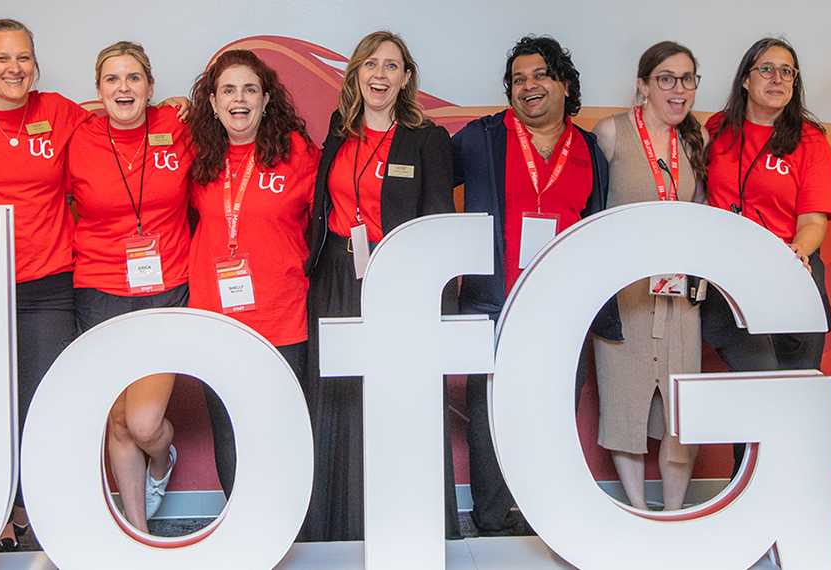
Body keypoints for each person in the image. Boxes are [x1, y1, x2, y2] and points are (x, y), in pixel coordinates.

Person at [452, 35, 614, 536]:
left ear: (565, 84)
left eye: (540, 75)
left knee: (553, 408)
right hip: (493, 303)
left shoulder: (588, 149)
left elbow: (598, 227)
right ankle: (492, 517)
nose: (529, 86)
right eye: (518, 79)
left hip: (560, 306)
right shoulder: (479, 140)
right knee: (489, 412)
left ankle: (542, 507)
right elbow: (426, 189)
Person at [303, 30, 458, 541]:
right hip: (336, 281)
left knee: (400, 395)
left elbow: (437, 223)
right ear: (356, 74)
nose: (380, 74)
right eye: (371, 64)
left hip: (398, 286)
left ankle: (406, 516)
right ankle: (341, 521)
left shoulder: (426, 139)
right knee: (342, 397)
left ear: (406, 78)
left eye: (391, 66)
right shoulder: (339, 132)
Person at [181, 48, 319, 537]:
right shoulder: (196, 156)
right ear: (213, 103)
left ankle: (289, 530)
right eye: (228, 90)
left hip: (284, 318)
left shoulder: (299, 154)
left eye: (250, 90)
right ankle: (245, 530)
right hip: (215, 318)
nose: (239, 100)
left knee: (282, 429)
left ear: (266, 100)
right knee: (228, 428)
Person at [65, 41, 192, 532]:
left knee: (142, 422)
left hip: (167, 288)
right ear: (98, 90)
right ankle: (136, 529)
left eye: (134, 78)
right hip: (98, 291)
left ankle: (163, 460)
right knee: (115, 419)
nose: (124, 88)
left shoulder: (177, 127)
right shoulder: (78, 136)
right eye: (113, 79)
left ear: (151, 87)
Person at [587, 40, 708, 512]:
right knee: (625, 406)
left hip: (681, 299)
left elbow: (705, 219)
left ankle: (674, 514)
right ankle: (637, 508)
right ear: (642, 86)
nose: (678, 90)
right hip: (626, 298)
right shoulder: (611, 134)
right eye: (666, 79)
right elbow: (591, 213)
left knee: (683, 410)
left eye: (687, 79)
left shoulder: (697, 143)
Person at [703, 37, 831, 373]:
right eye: (766, 69)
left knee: (798, 383)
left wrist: (793, 258)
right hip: (729, 272)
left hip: (790, 266)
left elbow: (813, 222)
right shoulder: (715, 129)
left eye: (787, 72)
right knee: (760, 374)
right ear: (746, 80)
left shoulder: (810, 140)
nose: (777, 78)